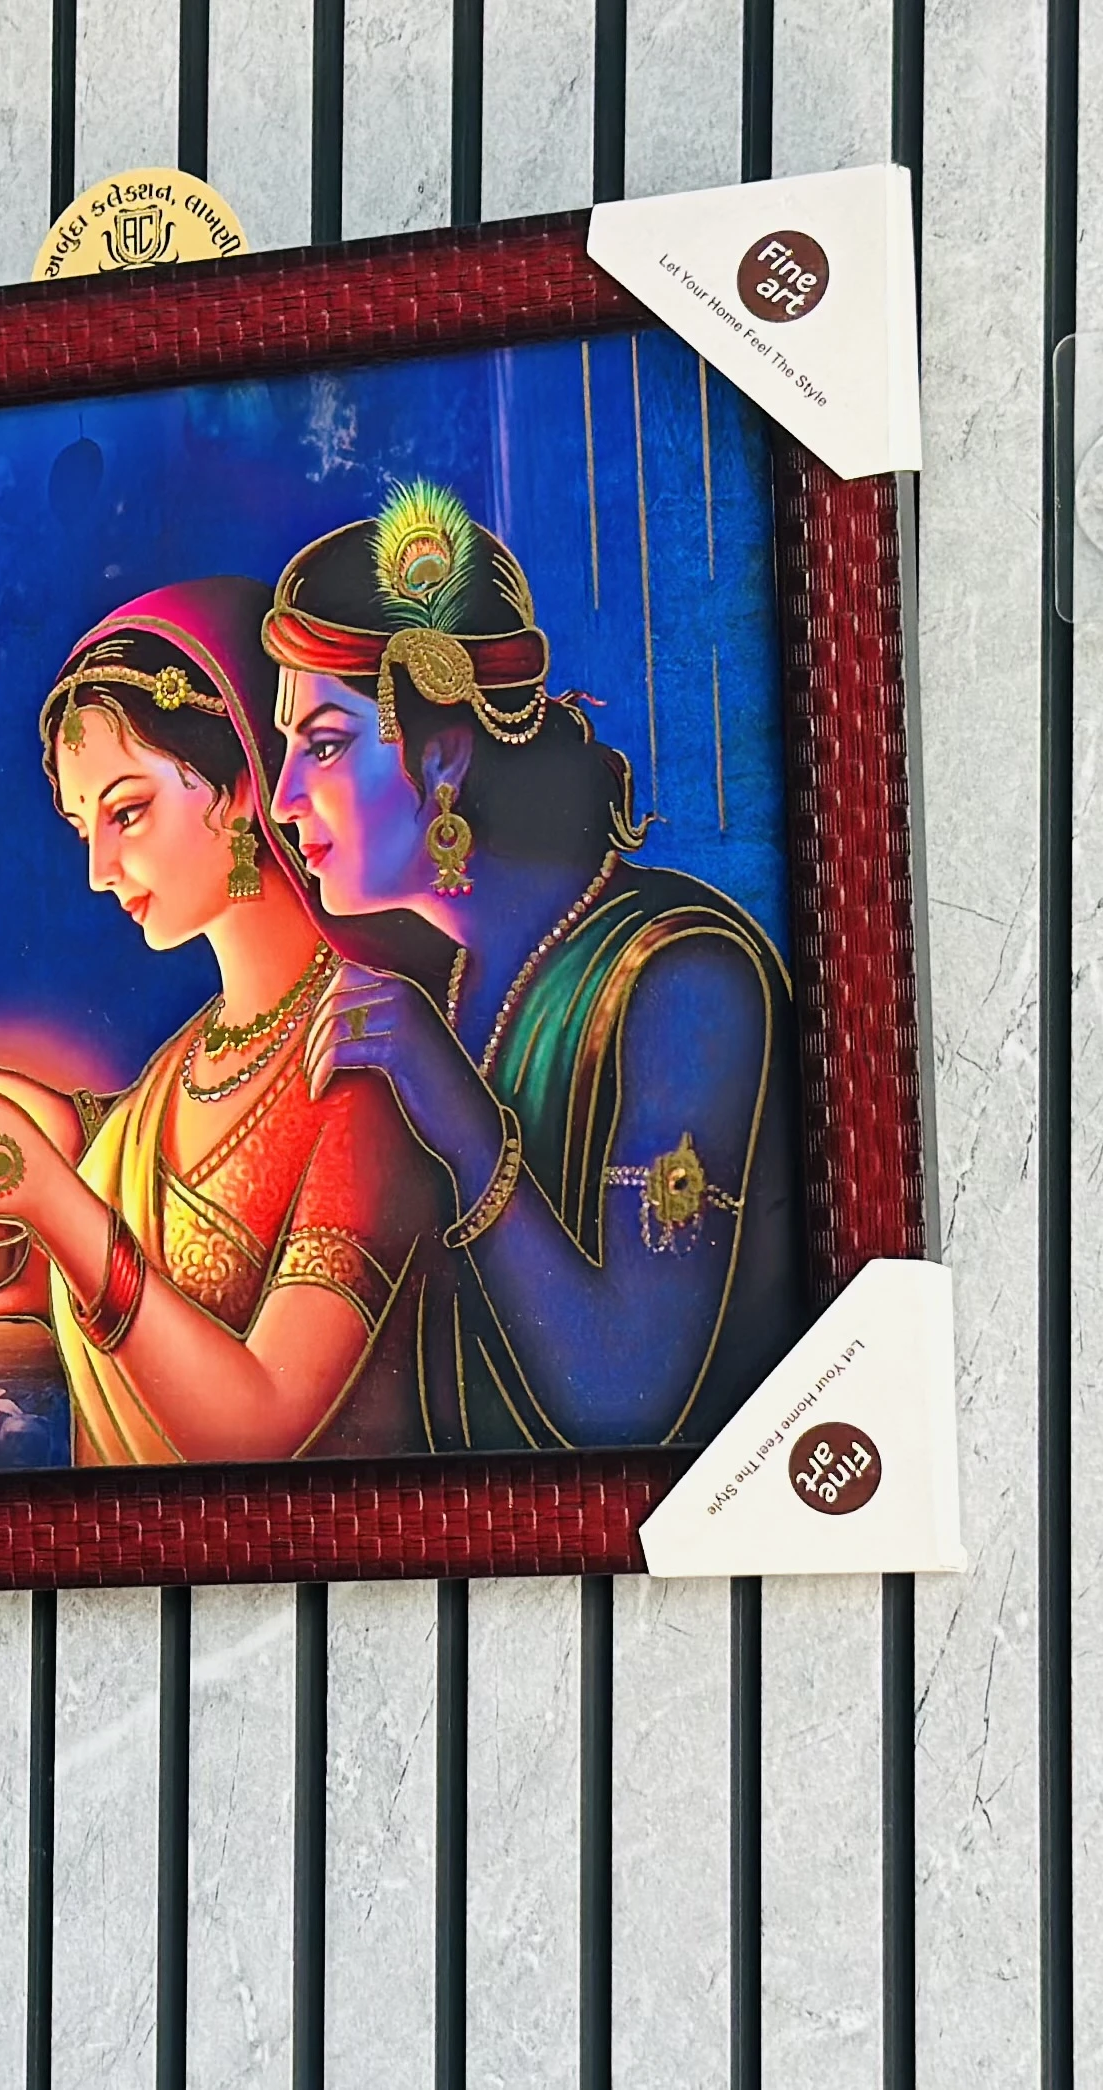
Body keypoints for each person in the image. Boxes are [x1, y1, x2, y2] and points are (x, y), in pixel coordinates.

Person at [261, 480, 805, 1448]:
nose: (283, 796)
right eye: (285, 750)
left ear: (444, 759)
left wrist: (466, 1127)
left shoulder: (683, 977)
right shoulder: (442, 986)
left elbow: (626, 1401)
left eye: (326, 745)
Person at [0, 578, 444, 1465]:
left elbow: (260, 1425)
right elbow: (190, 1272)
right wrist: (24, 1267)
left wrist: (51, 1201)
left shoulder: (371, 1053)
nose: (99, 869)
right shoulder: (192, 1060)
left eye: (127, 812)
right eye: (81, 827)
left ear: (241, 783)